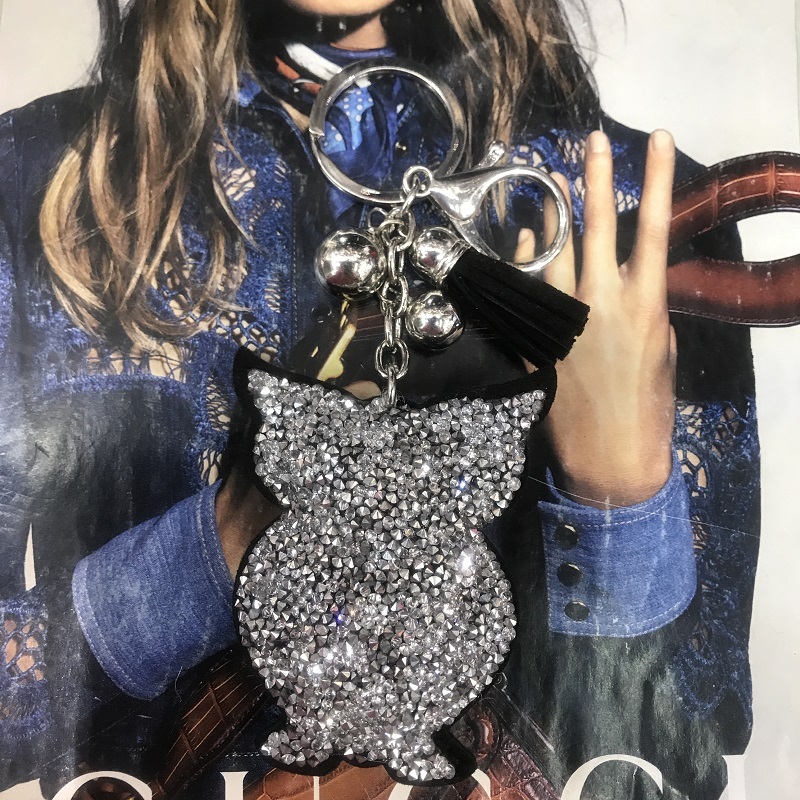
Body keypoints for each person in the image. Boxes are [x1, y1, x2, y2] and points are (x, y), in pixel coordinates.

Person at [0, 1, 759, 798]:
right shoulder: (38, 181)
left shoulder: (636, 208)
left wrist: (619, 503)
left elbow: (677, 763)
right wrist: (216, 545)